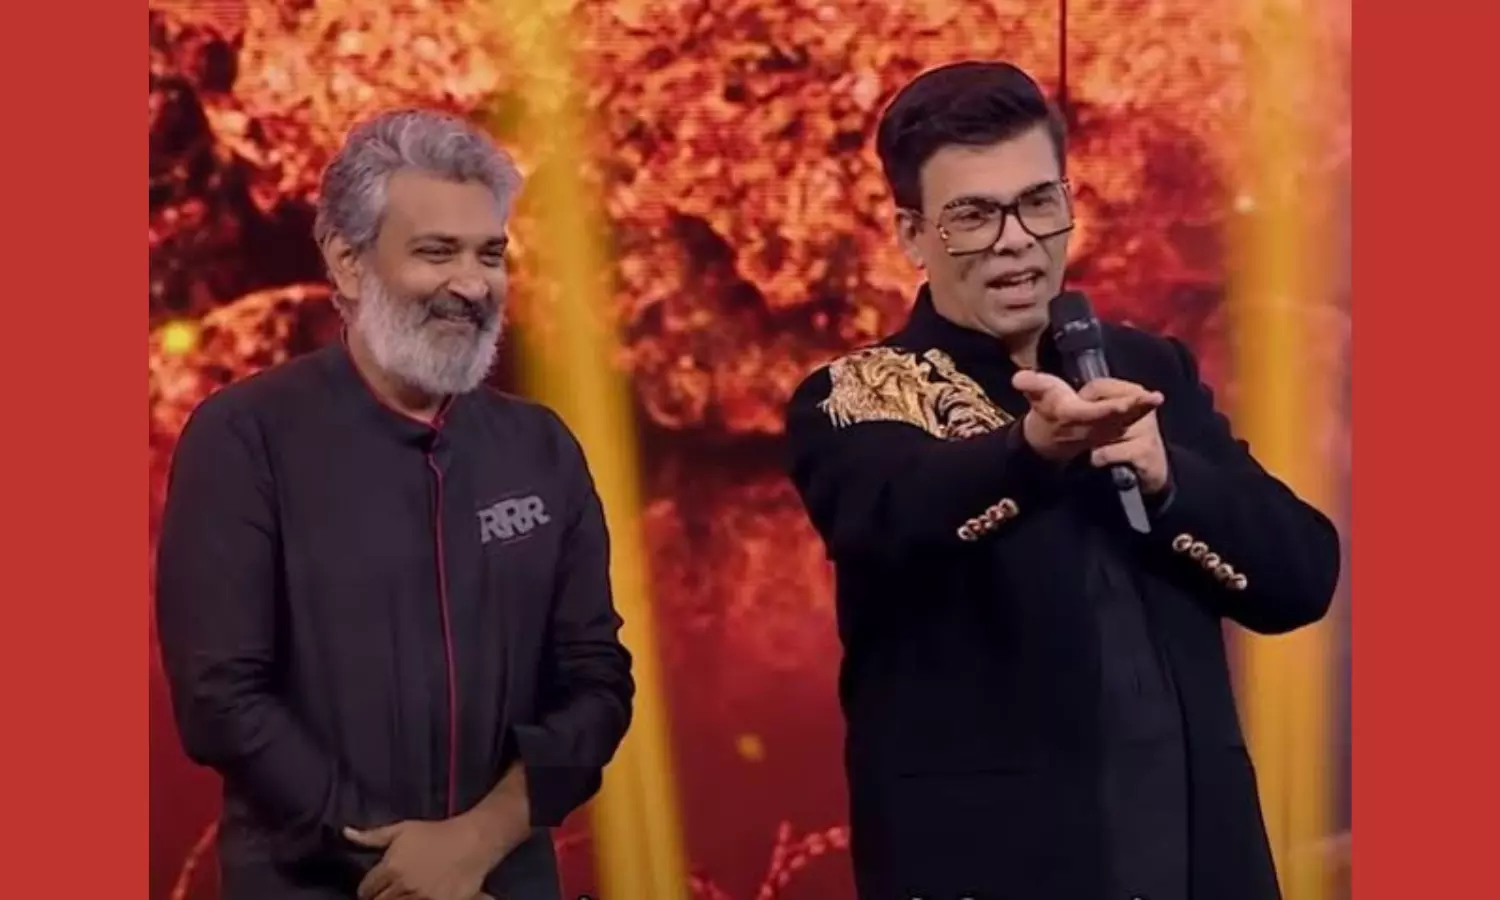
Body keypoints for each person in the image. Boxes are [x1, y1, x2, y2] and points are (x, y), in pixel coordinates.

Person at [783, 61, 1340, 900]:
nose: (1015, 240)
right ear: (912, 235)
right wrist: (1032, 450)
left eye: (1038, 202)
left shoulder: (1145, 368)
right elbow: (896, 511)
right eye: (974, 215)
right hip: (995, 864)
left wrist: (1168, 478)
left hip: (1197, 856)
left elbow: (1300, 576)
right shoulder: (859, 393)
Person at [155, 109, 635, 900]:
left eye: (490, 254)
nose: (472, 285)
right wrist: (406, 867)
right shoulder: (244, 438)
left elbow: (596, 681)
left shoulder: (542, 449)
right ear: (348, 263)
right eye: (436, 252)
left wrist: (477, 842)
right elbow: (223, 702)